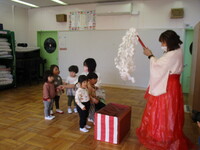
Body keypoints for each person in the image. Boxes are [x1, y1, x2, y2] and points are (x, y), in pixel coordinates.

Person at [136, 30, 194, 150]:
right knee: (171, 110)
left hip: (168, 86)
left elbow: (158, 65)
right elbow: (162, 64)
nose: (162, 45)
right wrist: (151, 56)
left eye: (163, 42)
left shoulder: (171, 54)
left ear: (168, 42)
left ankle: (162, 135)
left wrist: (150, 55)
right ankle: (168, 133)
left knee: (163, 110)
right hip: (174, 84)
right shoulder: (178, 51)